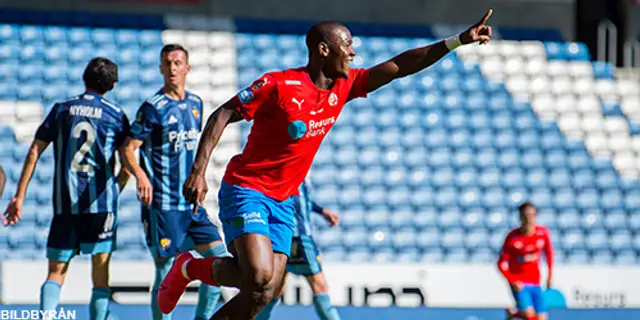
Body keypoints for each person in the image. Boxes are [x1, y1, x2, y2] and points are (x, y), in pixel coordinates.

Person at [159, 10, 494, 320]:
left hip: (284, 199)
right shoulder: (279, 85)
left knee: (266, 292)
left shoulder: (345, 86)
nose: (352, 53)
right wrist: (198, 171)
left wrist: (457, 41)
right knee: (259, 276)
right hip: (247, 189)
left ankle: (192, 270)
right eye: (346, 45)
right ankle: (188, 268)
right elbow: (223, 113)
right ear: (323, 50)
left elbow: (400, 66)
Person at [2, 57, 129, 320]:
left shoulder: (62, 109)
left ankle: (47, 317)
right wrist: (113, 191)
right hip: (101, 207)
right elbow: (127, 166)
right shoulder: (116, 115)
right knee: (101, 275)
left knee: (56, 272)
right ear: (113, 85)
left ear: (85, 78)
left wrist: (20, 195)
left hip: (65, 204)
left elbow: (35, 150)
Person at [119, 44, 228, 320]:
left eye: (178, 62)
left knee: (219, 260)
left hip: (191, 204)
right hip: (163, 205)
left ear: (187, 68)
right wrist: (140, 175)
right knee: (164, 272)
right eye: (167, 63)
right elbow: (127, 148)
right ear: (160, 68)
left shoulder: (196, 104)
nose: (172, 68)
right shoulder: (152, 108)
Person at [256, 177, 341, 320]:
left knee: (276, 287)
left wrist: (321, 211)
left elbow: (300, 198)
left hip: (283, 235)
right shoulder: (294, 166)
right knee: (319, 286)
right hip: (298, 236)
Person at [498, 202, 554, 320]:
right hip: (520, 283)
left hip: (535, 282)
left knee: (541, 318)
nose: (529, 219)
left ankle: (513, 314)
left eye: (532, 215)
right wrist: (512, 280)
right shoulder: (512, 237)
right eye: (525, 215)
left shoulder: (542, 233)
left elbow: (549, 253)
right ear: (520, 217)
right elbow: (501, 263)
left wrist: (550, 276)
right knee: (529, 314)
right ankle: (517, 313)